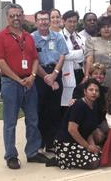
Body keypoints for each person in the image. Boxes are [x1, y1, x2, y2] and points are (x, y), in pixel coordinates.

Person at [0, 3, 48, 169]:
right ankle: (11, 155)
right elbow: (0, 61)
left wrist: (32, 76)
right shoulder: (0, 36)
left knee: (33, 119)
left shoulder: (28, 36)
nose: (16, 18)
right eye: (12, 16)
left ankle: (32, 152)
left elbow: (34, 59)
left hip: (29, 82)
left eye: (19, 15)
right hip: (11, 83)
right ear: (7, 18)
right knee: (10, 122)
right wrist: (18, 79)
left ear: (23, 15)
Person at [32, 10, 68, 152]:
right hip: (39, 76)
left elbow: (62, 56)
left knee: (54, 110)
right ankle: (39, 143)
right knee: (39, 109)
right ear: (36, 22)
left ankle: (52, 143)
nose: (43, 22)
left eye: (46, 19)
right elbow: (32, 59)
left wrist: (54, 74)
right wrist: (46, 77)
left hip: (55, 73)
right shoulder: (31, 38)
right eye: (40, 19)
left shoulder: (58, 37)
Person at [48, 79, 102, 169]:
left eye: (96, 90)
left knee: (99, 154)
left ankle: (69, 159)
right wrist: (88, 147)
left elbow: (89, 131)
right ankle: (61, 159)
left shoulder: (94, 105)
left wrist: (92, 146)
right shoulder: (79, 106)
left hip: (79, 142)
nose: (94, 93)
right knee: (94, 162)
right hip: (66, 143)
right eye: (91, 90)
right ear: (85, 91)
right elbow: (72, 130)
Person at [84, 16, 111, 87]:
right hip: (98, 77)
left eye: (109, 26)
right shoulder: (91, 41)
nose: (106, 29)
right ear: (99, 30)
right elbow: (89, 60)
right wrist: (87, 76)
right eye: (103, 27)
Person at [72, 63, 108, 145]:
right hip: (83, 123)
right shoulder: (80, 89)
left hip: (100, 122)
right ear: (90, 75)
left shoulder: (106, 91)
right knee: (99, 136)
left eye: (101, 74)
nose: (99, 76)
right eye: (95, 73)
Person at [60, 10, 85, 114]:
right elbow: (63, 55)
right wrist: (81, 53)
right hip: (67, 74)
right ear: (64, 22)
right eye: (70, 21)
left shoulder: (81, 38)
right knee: (67, 106)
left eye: (75, 21)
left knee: (79, 104)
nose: (72, 24)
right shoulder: (58, 37)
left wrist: (71, 54)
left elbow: (86, 56)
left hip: (80, 73)